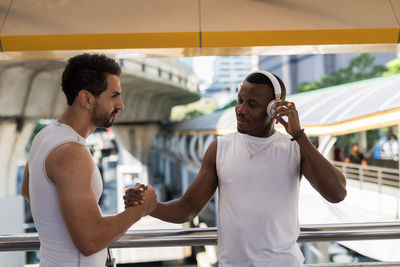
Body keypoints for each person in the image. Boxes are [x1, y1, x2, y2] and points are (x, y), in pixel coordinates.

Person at [125, 71, 347, 267]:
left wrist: (299, 135)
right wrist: (150, 206)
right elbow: (188, 208)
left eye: (252, 104)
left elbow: (337, 193)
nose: (240, 110)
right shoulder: (220, 148)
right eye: (240, 100)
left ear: (274, 109)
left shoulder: (295, 148)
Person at [20, 53, 157, 266]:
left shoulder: (45, 135)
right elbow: (90, 240)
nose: (121, 105)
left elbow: (28, 190)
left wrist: (61, 225)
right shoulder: (71, 152)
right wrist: (140, 209)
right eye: (114, 95)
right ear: (86, 98)